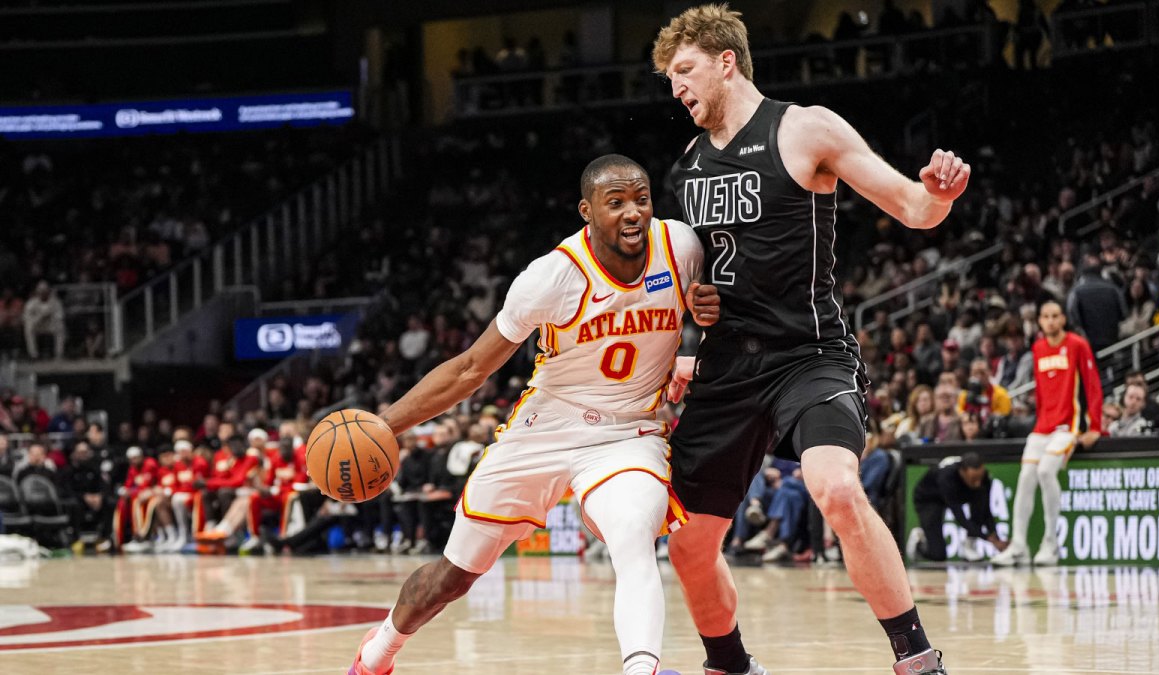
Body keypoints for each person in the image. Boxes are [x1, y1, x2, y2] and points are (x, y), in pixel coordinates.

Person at [653, 5, 968, 674]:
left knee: (837, 488)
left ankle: (917, 659)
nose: (676, 87)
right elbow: (697, 278)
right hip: (726, 367)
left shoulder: (804, 129)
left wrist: (938, 195)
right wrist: (689, 332)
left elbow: (913, 208)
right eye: (669, 78)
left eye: (684, 70)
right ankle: (731, 665)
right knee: (687, 543)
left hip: (807, 354)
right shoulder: (686, 167)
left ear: (726, 61)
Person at [346, 154, 719, 675]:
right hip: (546, 426)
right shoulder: (551, 277)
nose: (633, 212)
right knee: (453, 576)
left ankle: (642, 669)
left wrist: (698, 339)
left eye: (641, 199)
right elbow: (470, 368)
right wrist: (385, 425)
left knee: (633, 536)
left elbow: (724, 305)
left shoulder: (681, 247)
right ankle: (378, 652)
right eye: (616, 203)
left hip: (629, 432)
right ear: (587, 211)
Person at [991, 300, 1103, 567]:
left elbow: (1092, 384)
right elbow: (1041, 391)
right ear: (1039, 321)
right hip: (1042, 427)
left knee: (1045, 471)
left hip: (1068, 426)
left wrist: (1095, 427)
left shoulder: (1077, 344)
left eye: (1055, 316)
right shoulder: (1038, 348)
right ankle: (1019, 547)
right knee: (1026, 477)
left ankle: (1051, 544)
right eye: (1045, 316)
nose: (1051, 321)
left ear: (1063, 319)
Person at [906, 452, 1006, 562]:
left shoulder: (984, 478)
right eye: (973, 479)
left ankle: (969, 545)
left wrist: (995, 536)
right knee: (938, 555)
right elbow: (959, 517)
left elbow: (986, 510)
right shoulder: (946, 477)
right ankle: (919, 542)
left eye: (980, 477)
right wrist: (986, 537)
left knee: (979, 497)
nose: (978, 483)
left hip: (958, 495)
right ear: (963, 472)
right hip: (930, 498)